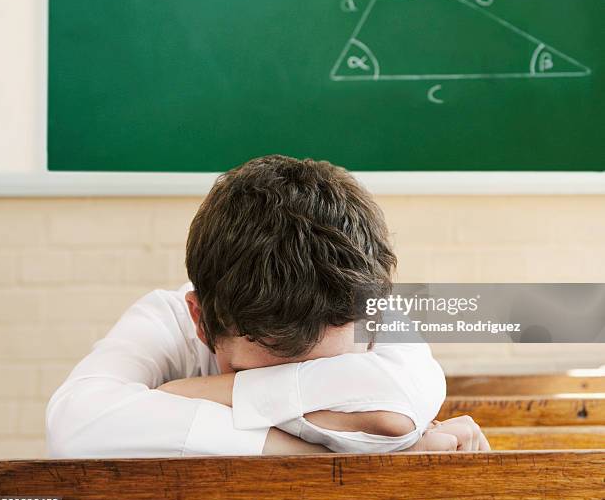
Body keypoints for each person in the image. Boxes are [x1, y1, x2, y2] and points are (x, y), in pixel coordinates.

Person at [46, 155, 489, 457]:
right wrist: (314, 453)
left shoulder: (360, 302)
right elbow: (75, 427)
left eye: (324, 368)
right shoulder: (166, 320)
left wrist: (207, 392)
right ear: (200, 320)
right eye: (254, 371)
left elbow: (398, 413)